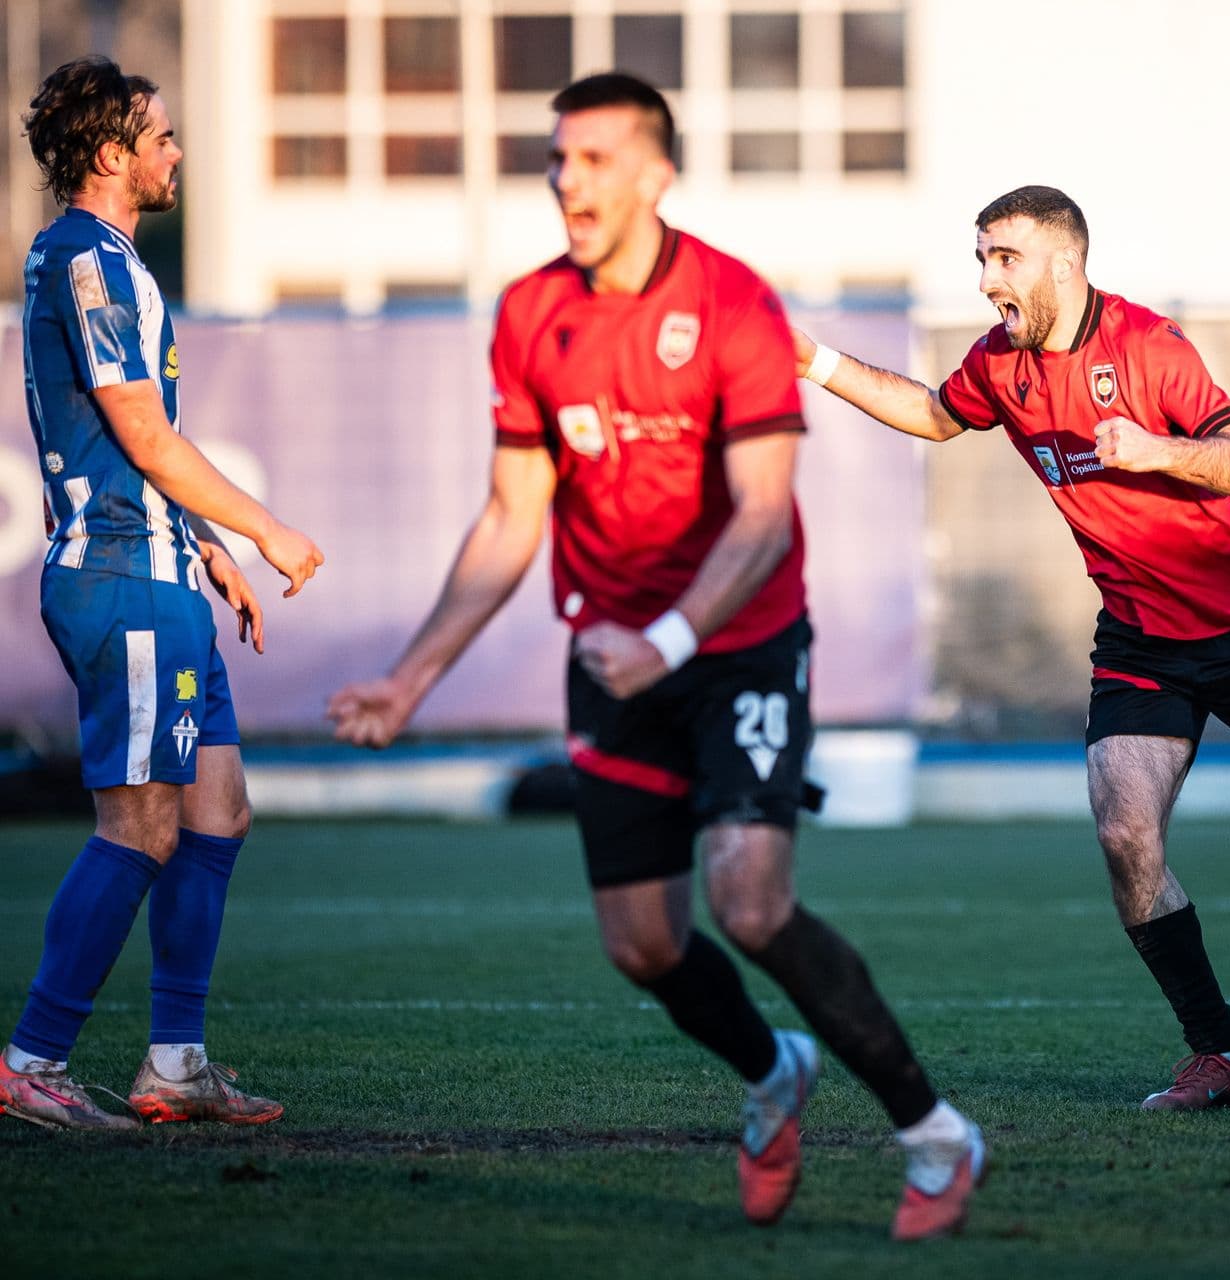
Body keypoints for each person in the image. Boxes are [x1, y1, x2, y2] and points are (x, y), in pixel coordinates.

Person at [325, 74, 983, 1240]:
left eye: (592, 159)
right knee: (640, 943)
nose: (565, 180)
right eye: (556, 158)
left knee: (751, 901)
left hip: (742, 649)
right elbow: (511, 515)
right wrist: (411, 677)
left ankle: (934, 1133)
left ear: (655, 174)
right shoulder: (531, 311)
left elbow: (763, 516)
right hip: (612, 659)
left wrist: (672, 639)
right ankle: (772, 1069)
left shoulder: (733, 304)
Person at [791, 185, 1230, 1110]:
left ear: (1066, 263)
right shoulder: (1000, 363)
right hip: (1141, 637)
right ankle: (1219, 1057)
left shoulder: (1148, 345)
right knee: (1124, 834)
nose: (988, 279)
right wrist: (817, 361)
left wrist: (1157, 450)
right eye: (982, 258)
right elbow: (933, 413)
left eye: (1006, 259)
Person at [1, 57, 323, 1131]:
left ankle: (176, 1064)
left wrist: (210, 549)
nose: (177, 153)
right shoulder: (85, 258)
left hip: (165, 569)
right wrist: (264, 528)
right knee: (141, 825)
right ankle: (32, 1059)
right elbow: (142, 434)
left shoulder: (112, 259)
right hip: (122, 576)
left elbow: (135, 445)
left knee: (217, 810)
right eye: (163, 137)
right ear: (113, 155)